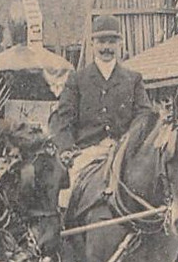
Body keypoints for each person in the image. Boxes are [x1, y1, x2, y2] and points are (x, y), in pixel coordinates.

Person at [50, 11, 152, 171]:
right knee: (69, 191)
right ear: (92, 44)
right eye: (101, 41)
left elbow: (144, 114)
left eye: (112, 42)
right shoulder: (77, 79)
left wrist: (129, 139)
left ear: (120, 44)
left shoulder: (133, 79)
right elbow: (64, 119)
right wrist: (67, 148)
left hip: (124, 154)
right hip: (87, 154)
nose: (106, 47)